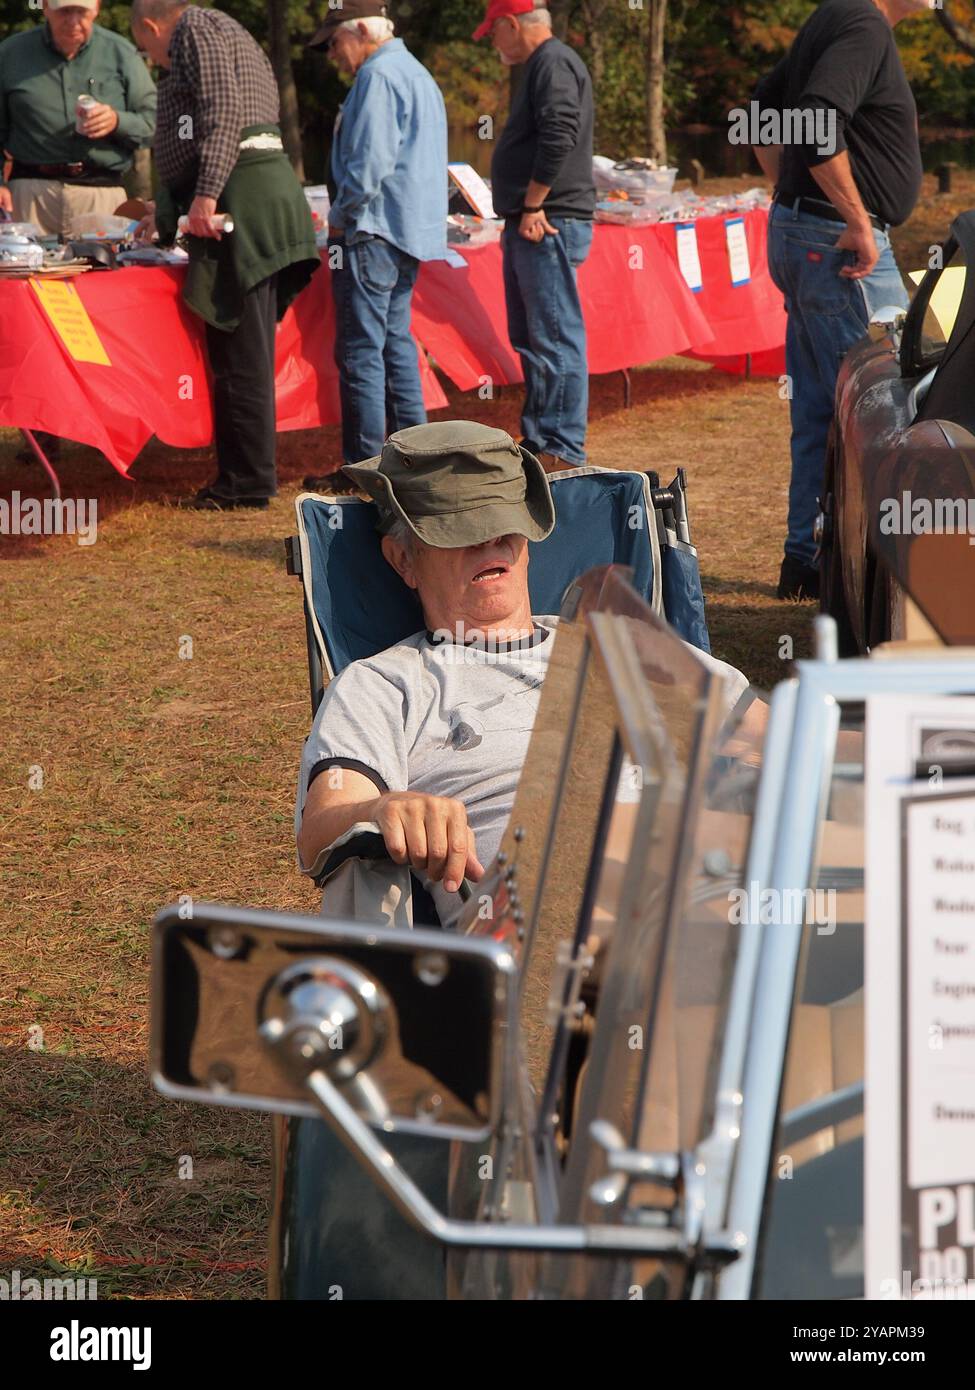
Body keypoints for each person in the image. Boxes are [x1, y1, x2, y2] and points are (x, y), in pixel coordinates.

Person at [295, 421, 749, 929]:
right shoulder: (385, 683)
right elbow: (321, 827)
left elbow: (786, 744)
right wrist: (383, 810)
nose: (490, 540)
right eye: (460, 530)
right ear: (404, 559)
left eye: (504, 522)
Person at [752, 0, 932, 600]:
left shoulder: (839, 16)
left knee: (821, 408)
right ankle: (879, 584)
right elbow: (810, 116)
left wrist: (793, 191)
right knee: (888, 410)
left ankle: (806, 563)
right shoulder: (862, 22)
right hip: (836, 243)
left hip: (808, 233)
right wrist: (853, 216)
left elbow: (761, 107)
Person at [131, 0, 319, 511]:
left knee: (240, 355)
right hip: (245, 198)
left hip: (242, 204)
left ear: (151, 26)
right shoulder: (218, 32)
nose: (149, 57)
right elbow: (201, 129)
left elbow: (224, 110)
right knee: (240, 353)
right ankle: (245, 475)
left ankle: (248, 481)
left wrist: (206, 194)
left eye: (144, 46)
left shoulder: (196, 29)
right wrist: (167, 210)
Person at [303, 1, 447, 488]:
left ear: (361, 30)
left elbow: (369, 164)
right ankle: (417, 461)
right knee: (396, 344)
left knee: (362, 351)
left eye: (335, 42)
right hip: (407, 232)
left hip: (372, 231)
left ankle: (364, 469)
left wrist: (340, 218)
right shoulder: (416, 72)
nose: (332, 55)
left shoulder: (378, 78)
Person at [474, 0, 595, 472]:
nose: (493, 42)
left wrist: (534, 203)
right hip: (539, 219)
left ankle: (561, 448)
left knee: (554, 337)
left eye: (493, 33)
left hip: (547, 220)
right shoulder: (546, 63)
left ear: (511, 24)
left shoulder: (553, 61)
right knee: (534, 335)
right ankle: (543, 436)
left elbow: (561, 130)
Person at [0, 0, 156, 236]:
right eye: (64, 11)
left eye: (81, 12)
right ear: (45, 8)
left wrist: (117, 122)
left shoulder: (122, 53)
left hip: (102, 197)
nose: (73, 21)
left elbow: (156, 121)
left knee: (107, 272)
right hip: (29, 198)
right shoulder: (11, 53)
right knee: (25, 271)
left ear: (96, 9)